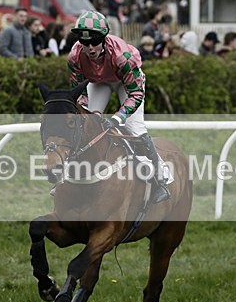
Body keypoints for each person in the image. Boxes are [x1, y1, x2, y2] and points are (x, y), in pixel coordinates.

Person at [67, 10, 170, 203]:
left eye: (94, 41)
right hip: (99, 81)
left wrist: (117, 118)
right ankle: (68, 177)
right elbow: (78, 93)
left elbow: (136, 94)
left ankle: (161, 178)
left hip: (126, 83)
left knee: (134, 127)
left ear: (104, 38)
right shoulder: (75, 56)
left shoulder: (123, 57)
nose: (89, 47)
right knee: (86, 123)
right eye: (84, 42)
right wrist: (89, 115)